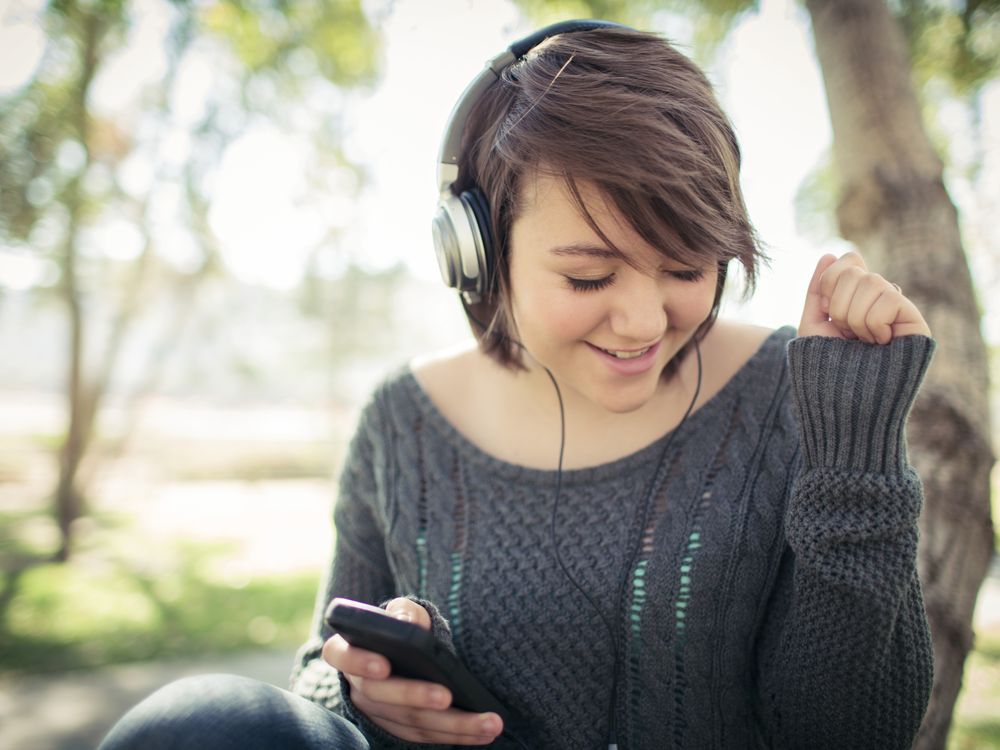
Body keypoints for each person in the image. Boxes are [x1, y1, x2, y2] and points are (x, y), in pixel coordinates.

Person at [99, 19, 935, 750]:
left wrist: (853, 454)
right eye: (587, 278)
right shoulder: (401, 422)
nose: (644, 320)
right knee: (198, 720)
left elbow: (850, 734)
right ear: (480, 258)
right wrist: (359, 692)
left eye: (685, 266)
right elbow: (319, 674)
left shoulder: (796, 397)